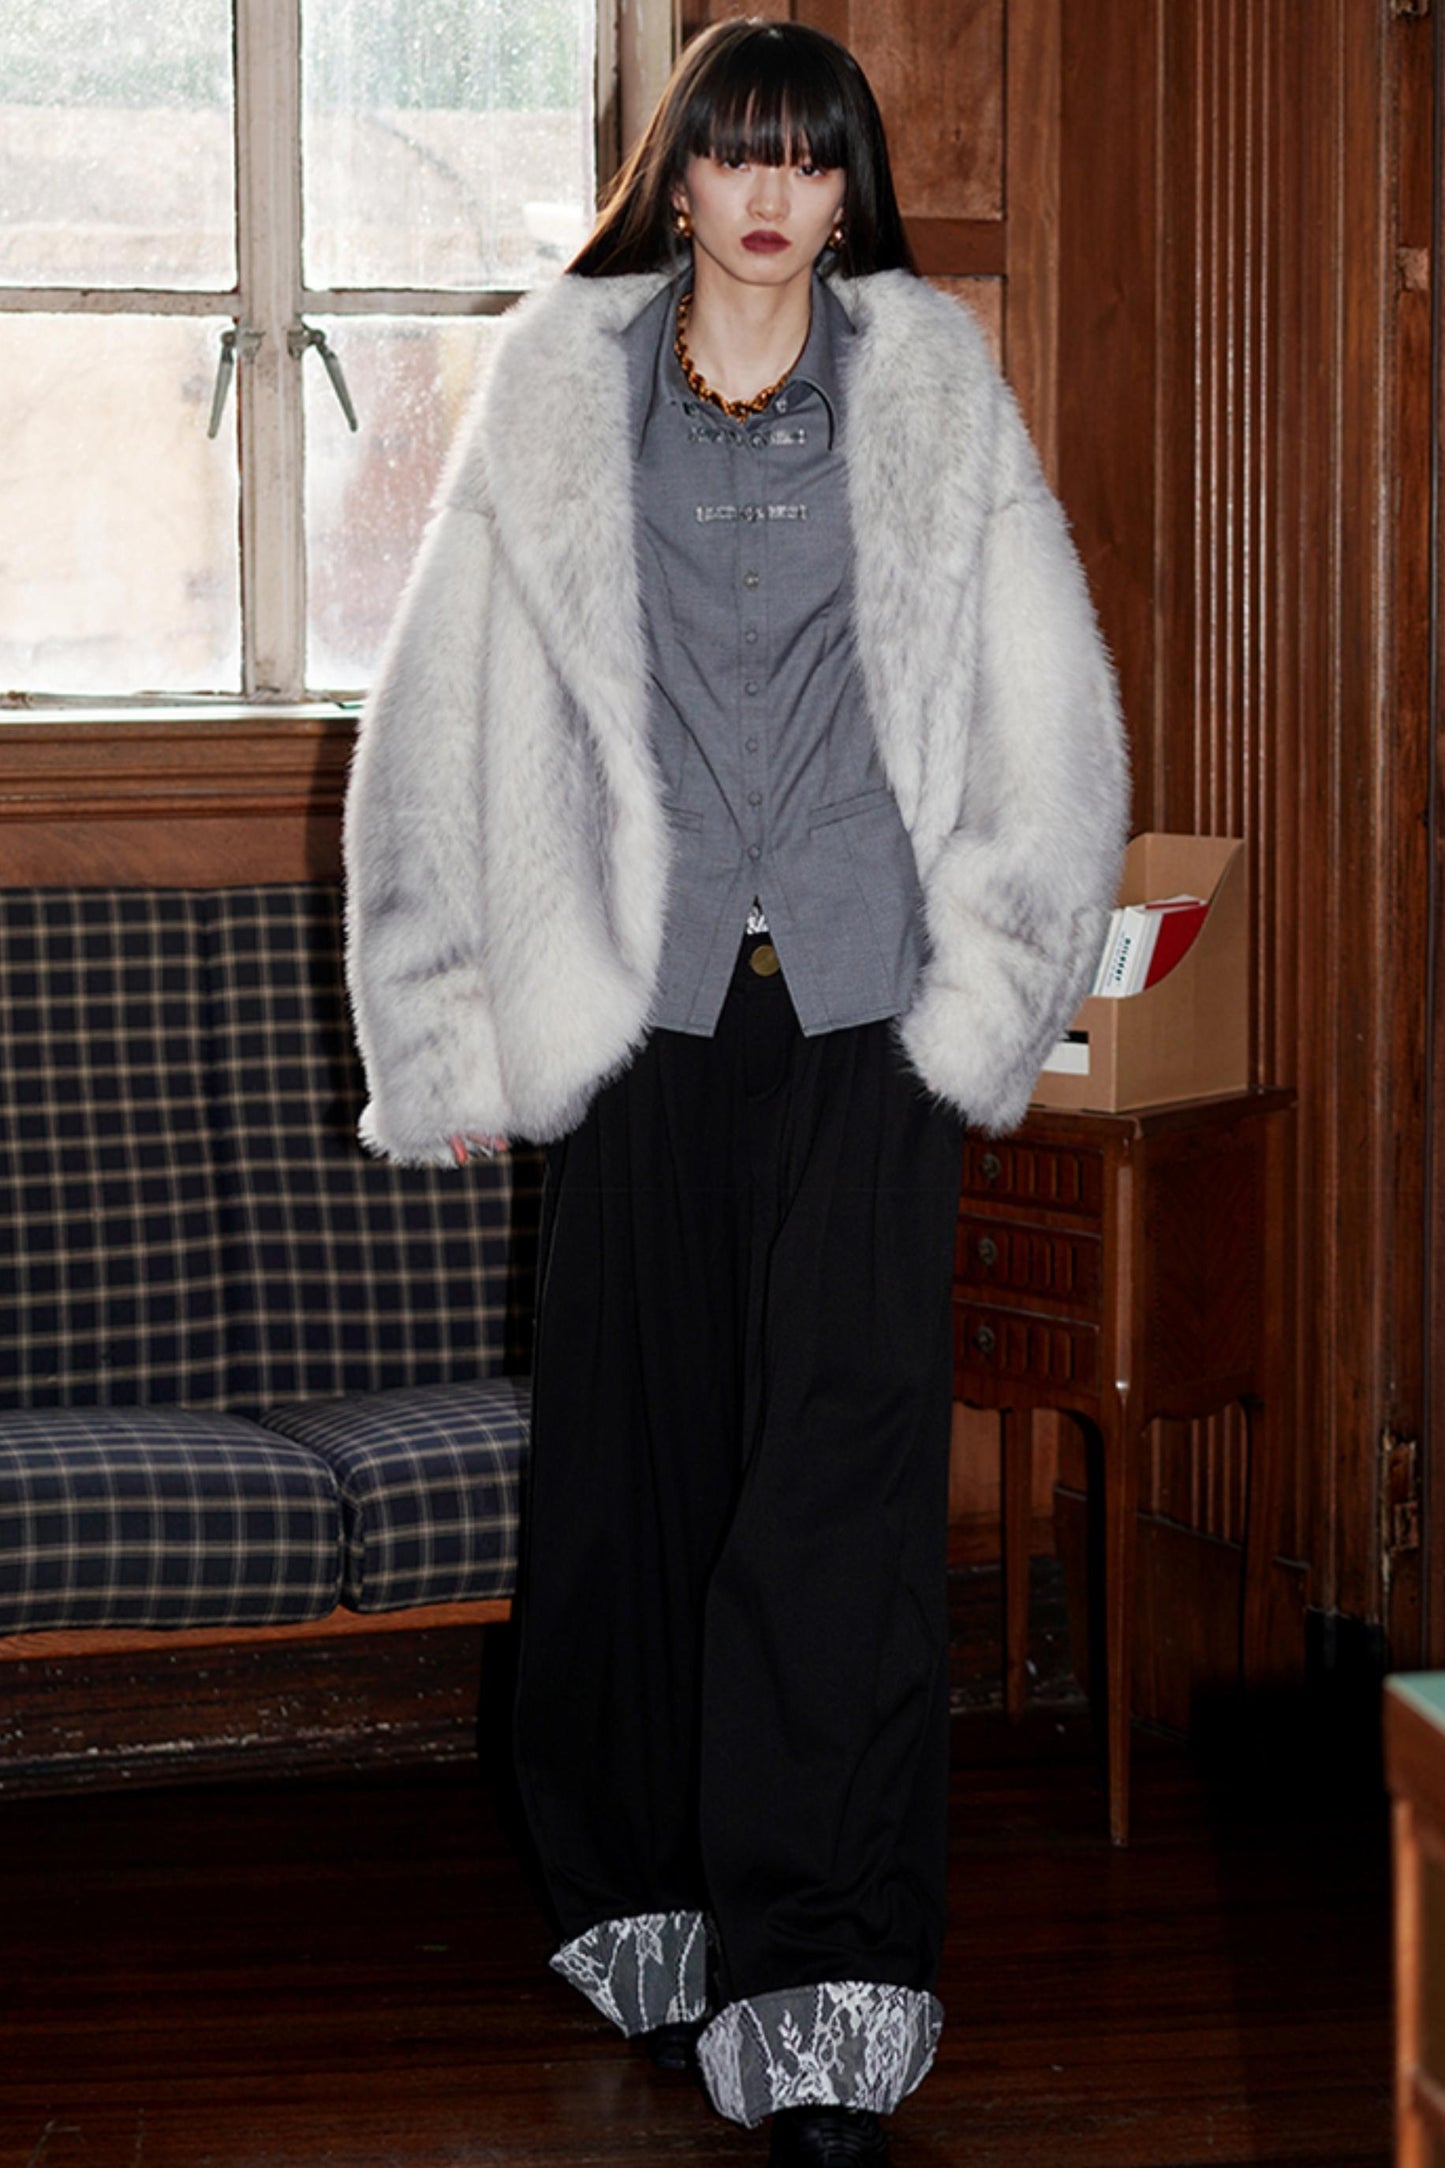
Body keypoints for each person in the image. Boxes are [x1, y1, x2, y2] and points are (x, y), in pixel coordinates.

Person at [344, 19, 1128, 2164]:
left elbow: (1047, 705)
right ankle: (654, 1900)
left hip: (867, 1017)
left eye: (809, 158)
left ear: (850, 190)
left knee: (843, 1491)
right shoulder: (559, 391)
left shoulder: (934, 391)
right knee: (638, 1472)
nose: (771, 195)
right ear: (672, 179)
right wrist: (443, 1021)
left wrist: (1003, 982)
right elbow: (442, 707)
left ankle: (829, 1984)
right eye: (733, 154)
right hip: (646, 1011)